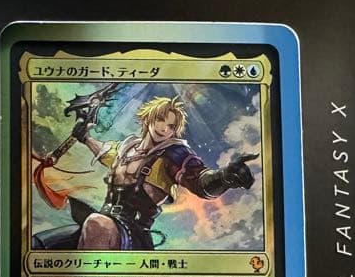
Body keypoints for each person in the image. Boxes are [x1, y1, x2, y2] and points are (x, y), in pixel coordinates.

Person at [40, 96, 256, 251]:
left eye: (171, 126)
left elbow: (200, 181)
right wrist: (84, 137)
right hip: (103, 222)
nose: (164, 128)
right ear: (149, 118)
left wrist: (225, 176)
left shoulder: (174, 154)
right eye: (161, 120)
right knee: (43, 243)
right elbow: (104, 152)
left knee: (96, 224)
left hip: (133, 234)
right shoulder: (127, 149)